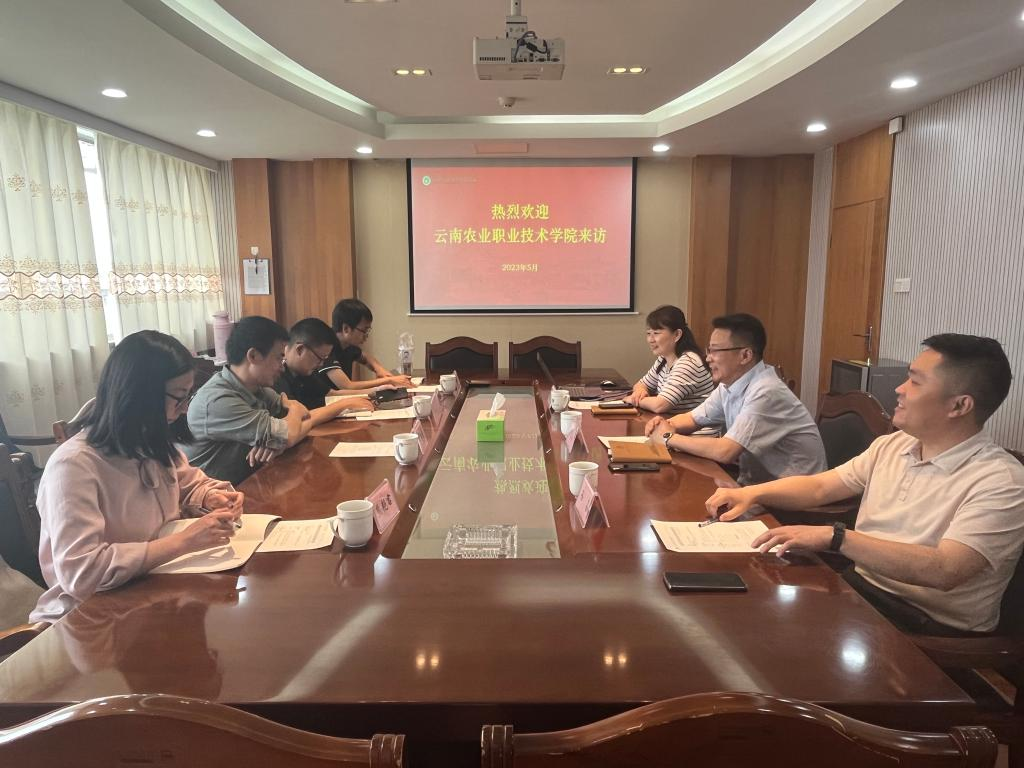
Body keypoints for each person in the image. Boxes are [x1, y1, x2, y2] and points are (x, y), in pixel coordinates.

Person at [706, 334, 1024, 635]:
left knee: (764, 627)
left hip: (924, 622)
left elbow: (945, 569)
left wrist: (837, 538)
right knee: (741, 602)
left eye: (915, 382)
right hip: (861, 590)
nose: (900, 389)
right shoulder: (895, 445)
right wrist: (750, 493)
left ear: (959, 406)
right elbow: (820, 488)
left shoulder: (1001, 481)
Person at [30, 331, 243, 622]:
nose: (184, 410)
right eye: (179, 398)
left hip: (150, 589)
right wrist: (184, 541)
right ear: (141, 395)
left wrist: (211, 496)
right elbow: (82, 574)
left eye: (188, 396)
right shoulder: (73, 467)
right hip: (88, 616)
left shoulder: (148, 442)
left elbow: (190, 484)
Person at [645, 313, 826, 484]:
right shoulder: (729, 384)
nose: (708, 358)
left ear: (745, 355)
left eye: (715, 350)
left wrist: (668, 436)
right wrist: (663, 424)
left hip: (793, 494)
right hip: (755, 485)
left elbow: (725, 452)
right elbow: (693, 418)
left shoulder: (766, 392)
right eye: (709, 350)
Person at [184, 316, 312, 485]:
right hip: (209, 496)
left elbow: (305, 419)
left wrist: (279, 443)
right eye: (278, 358)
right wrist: (294, 409)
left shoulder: (258, 389)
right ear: (253, 355)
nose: (282, 367)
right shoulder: (217, 401)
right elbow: (289, 433)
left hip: (245, 485)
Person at [277, 317, 376, 417]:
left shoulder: (304, 373)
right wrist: (344, 405)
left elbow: (331, 394)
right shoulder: (277, 376)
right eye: (320, 358)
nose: (321, 364)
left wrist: (372, 393)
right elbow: (297, 418)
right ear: (300, 350)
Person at [623, 305, 713, 413]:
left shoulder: (689, 362)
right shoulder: (663, 358)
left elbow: (660, 405)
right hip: (671, 421)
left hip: (690, 424)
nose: (650, 340)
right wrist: (639, 391)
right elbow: (641, 384)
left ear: (677, 335)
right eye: (648, 333)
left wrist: (633, 400)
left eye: (656, 333)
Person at [318, 298, 412, 392]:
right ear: (346, 329)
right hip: (326, 399)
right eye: (364, 330)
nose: (366, 336)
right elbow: (347, 386)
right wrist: (389, 380)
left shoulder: (348, 344)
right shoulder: (326, 347)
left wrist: (379, 370)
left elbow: (365, 357)